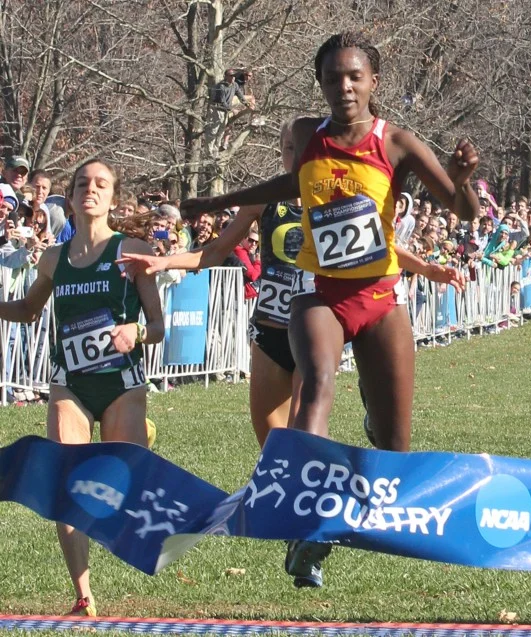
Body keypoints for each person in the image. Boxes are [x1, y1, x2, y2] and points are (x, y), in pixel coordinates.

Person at [180, 32, 479, 588]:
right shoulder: (303, 134)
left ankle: (351, 473)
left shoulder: (398, 143)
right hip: (322, 298)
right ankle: (307, 526)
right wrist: (214, 203)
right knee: (314, 383)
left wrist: (461, 179)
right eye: (333, 77)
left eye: (354, 76)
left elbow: (461, 208)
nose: (343, 86)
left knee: (394, 449)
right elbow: (288, 183)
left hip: (381, 299)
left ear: (374, 83)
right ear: (320, 83)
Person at [0, 159, 164, 616]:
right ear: (69, 197)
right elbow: (30, 309)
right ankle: (83, 595)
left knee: (115, 494)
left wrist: (137, 332)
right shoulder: (54, 258)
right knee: (67, 485)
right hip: (69, 383)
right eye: (82, 184)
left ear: (112, 197)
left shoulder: (131, 250)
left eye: (101, 184)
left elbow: (159, 325)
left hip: (121, 383)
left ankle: (140, 434)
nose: (90, 190)